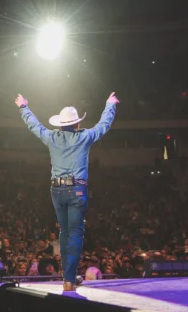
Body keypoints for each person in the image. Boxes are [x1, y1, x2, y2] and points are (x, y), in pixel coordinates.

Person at [15, 92, 119, 291]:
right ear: (77, 124)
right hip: (77, 189)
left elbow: (34, 126)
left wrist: (24, 107)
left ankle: (68, 277)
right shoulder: (84, 136)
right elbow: (104, 125)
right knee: (76, 233)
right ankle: (69, 279)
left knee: (64, 233)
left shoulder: (52, 137)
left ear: (61, 125)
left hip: (57, 190)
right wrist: (110, 104)